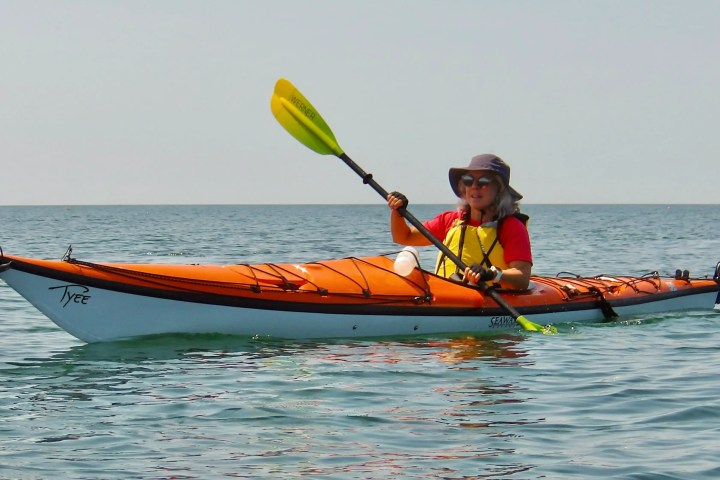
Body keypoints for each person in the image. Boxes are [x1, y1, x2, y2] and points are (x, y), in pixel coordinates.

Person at [387, 153, 532, 290]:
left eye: (483, 181)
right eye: (469, 181)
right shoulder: (450, 220)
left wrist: (492, 274)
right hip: (447, 296)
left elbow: (523, 278)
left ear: (499, 189)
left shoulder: (511, 227)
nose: (474, 186)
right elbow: (403, 236)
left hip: (488, 302)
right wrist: (397, 211)